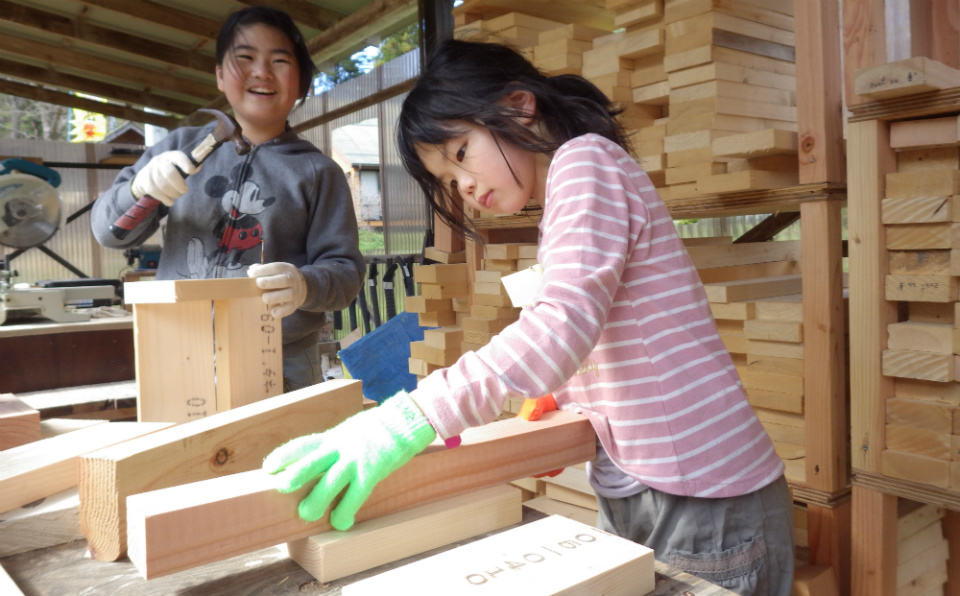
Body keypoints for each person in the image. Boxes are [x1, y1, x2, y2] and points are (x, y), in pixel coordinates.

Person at [261, 39, 794, 596]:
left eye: (461, 153)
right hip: (644, 488)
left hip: (706, 499)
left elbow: (560, 327)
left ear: (518, 107)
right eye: (447, 180)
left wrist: (410, 419)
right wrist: (567, 397)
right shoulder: (573, 184)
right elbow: (616, 331)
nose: (462, 186)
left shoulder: (585, 161)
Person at [91, 6, 365, 391]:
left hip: (282, 359)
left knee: (284, 450)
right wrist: (138, 190)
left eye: (280, 60)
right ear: (220, 74)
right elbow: (108, 232)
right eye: (245, 58)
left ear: (302, 83)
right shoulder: (180, 147)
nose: (262, 71)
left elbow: (347, 274)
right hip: (180, 348)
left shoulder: (318, 173)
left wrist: (304, 284)